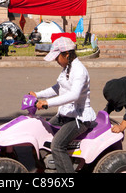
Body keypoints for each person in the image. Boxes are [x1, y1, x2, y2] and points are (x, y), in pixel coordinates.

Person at [29, 36, 96, 173]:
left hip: (79, 118)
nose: (55, 60)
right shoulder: (67, 68)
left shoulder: (79, 71)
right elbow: (57, 88)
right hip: (65, 114)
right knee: (40, 133)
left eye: (56, 57)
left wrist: (47, 103)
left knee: (57, 145)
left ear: (67, 54)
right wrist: (38, 94)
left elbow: (74, 95)